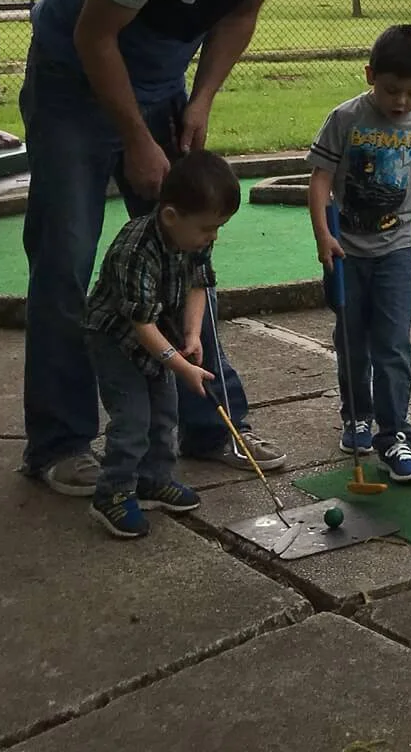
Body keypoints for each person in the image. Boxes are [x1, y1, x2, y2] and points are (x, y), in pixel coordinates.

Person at [18, 0, 335, 497]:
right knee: (66, 261)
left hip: (161, 79)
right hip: (74, 77)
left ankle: (211, 425)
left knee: (185, 253)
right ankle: (61, 442)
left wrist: (201, 99)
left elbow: (240, 15)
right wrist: (136, 139)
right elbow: (94, 37)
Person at [308, 24, 411, 485]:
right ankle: (357, 418)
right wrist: (322, 236)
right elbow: (321, 179)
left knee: (392, 344)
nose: (401, 102)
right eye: (391, 90)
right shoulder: (345, 118)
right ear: (370, 75)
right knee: (352, 342)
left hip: (395, 250)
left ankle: (394, 436)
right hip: (346, 251)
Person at [83, 149, 240, 539]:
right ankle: (113, 493)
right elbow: (141, 327)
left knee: (165, 413)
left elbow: (199, 283)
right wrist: (181, 365)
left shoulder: (193, 237)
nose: (213, 236)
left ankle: (153, 479)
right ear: (171, 216)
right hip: (116, 339)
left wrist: (190, 335)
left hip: (159, 335)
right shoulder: (135, 250)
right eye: (207, 228)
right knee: (133, 418)